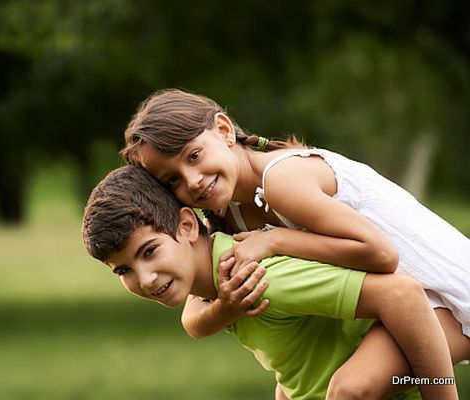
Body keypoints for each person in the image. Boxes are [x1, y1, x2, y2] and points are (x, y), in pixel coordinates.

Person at [120, 88, 470, 399]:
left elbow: (381, 255)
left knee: (350, 388)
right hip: (408, 306)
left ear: (224, 130)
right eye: (173, 180)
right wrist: (225, 308)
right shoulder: (231, 213)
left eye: (194, 156)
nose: (193, 181)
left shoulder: (282, 181)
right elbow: (194, 319)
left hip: (452, 302)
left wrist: (276, 241)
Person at [82, 165, 461, 400]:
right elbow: (296, 362)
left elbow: (402, 293)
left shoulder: (257, 276)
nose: (145, 279)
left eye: (149, 252)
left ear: (186, 225)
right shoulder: (220, 292)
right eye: (123, 270)